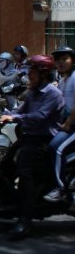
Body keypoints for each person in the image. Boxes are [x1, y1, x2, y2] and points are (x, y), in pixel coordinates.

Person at [0, 55, 63, 239]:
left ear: (43, 74)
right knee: (4, 164)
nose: (29, 75)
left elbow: (40, 116)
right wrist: (4, 114)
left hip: (42, 140)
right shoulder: (33, 91)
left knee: (25, 172)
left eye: (32, 71)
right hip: (29, 137)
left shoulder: (52, 93)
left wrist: (15, 118)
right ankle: (10, 204)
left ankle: (25, 220)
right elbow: (21, 110)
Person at [44, 46, 75, 204]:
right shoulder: (63, 80)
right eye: (58, 60)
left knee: (56, 148)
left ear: (72, 60)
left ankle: (60, 189)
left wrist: (68, 123)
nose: (61, 62)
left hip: (73, 127)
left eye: (65, 59)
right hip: (65, 124)